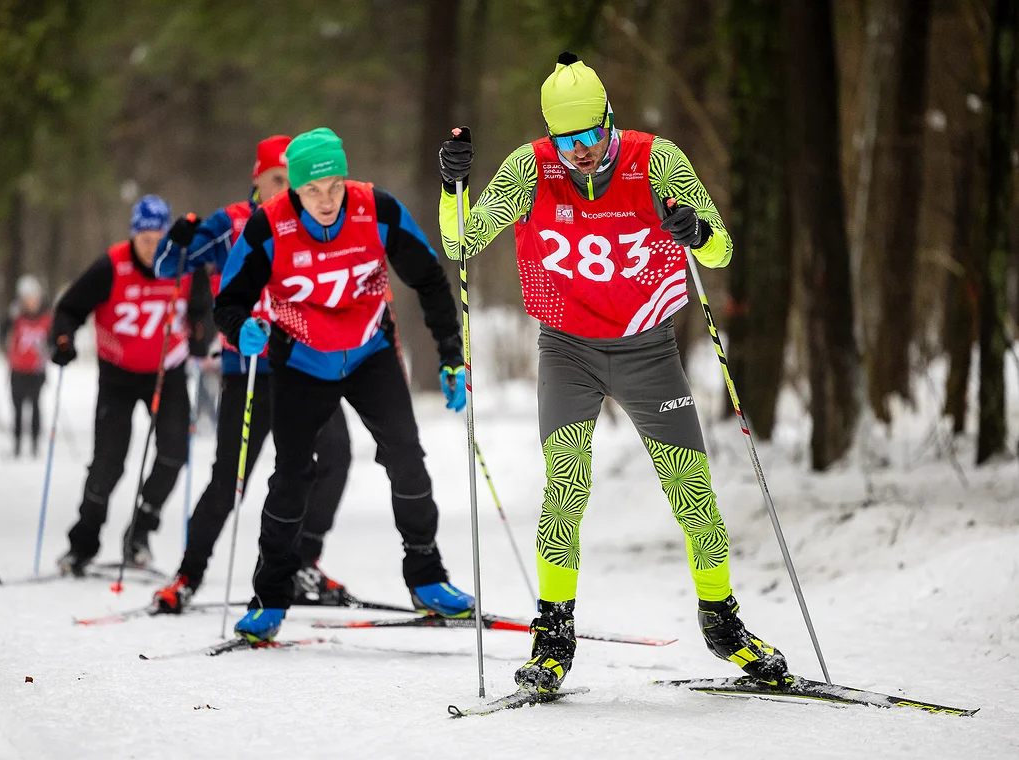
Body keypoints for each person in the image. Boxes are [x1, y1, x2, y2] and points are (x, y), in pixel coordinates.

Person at [437, 53, 788, 692]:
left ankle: (722, 620)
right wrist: (452, 187)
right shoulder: (529, 169)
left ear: (609, 119)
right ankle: (553, 634)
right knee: (564, 490)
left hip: (647, 348)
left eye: (590, 135)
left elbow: (720, 250)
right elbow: (463, 242)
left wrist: (696, 229)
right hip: (566, 347)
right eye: (565, 140)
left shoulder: (657, 161)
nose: (580, 153)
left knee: (694, 494)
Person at [216, 127, 474, 642]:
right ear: (293, 189)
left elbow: (429, 278)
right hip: (302, 358)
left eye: (334, 185)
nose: (326, 200)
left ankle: (427, 577)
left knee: (406, 454)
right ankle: (270, 596)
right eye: (313, 190)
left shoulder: (375, 208)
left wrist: (451, 356)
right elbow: (229, 298)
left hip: (368, 351)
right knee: (292, 475)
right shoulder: (269, 225)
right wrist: (238, 327)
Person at [151, 136, 354, 613]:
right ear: (257, 179)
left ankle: (302, 560)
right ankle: (187, 575)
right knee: (230, 479)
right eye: (277, 180)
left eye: (294, 181)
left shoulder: (314, 221)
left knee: (336, 458)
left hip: (307, 367)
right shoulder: (230, 223)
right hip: (250, 373)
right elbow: (165, 268)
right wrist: (177, 239)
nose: (287, 189)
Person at [51, 195, 212, 574]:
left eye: (159, 238)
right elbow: (70, 308)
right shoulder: (112, 264)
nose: (153, 246)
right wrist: (63, 339)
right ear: (133, 236)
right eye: (145, 239)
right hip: (119, 373)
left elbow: (203, 307)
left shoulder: (185, 262)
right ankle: (83, 542)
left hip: (166, 370)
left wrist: (202, 335)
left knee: (174, 453)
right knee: (109, 464)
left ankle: (139, 533)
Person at [5, 275, 52, 458]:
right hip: (17, 369)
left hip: (36, 370)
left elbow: (53, 339)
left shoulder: (46, 318)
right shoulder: (16, 317)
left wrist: (52, 348)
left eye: (33, 298)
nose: (30, 302)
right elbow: (4, 334)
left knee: (35, 406)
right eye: (26, 299)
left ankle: (34, 444)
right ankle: (16, 444)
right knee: (17, 408)